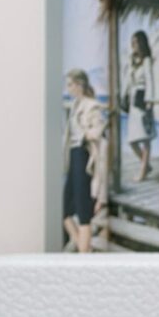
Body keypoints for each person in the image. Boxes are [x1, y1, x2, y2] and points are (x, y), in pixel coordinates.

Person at [62, 68, 107, 253]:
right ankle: (85, 250)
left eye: (70, 84)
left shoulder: (92, 105)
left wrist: (83, 135)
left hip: (83, 155)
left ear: (79, 85)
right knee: (64, 210)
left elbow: (98, 131)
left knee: (83, 212)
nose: (68, 88)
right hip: (73, 156)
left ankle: (83, 255)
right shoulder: (75, 104)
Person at [121, 30, 155, 183]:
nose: (133, 45)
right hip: (133, 102)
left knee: (145, 138)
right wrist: (123, 96)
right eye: (132, 42)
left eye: (135, 42)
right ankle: (146, 165)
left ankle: (142, 172)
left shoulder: (147, 60)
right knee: (132, 140)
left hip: (142, 100)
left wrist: (149, 100)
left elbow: (149, 80)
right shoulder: (132, 61)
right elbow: (127, 81)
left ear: (141, 43)